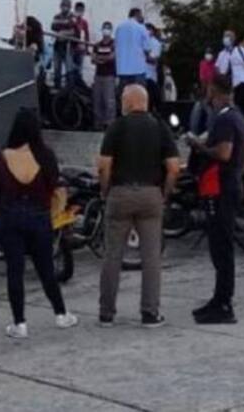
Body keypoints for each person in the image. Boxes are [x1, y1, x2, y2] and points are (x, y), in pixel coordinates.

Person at [97, 84, 180, 328]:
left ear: (130, 102)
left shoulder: (117, 127)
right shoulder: (159, 127)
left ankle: (106, 313)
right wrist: (164, 193)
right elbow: (174, 167)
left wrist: (105, 190)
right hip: (151, 194)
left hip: (120, 193)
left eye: (123, 99)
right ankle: (150, 313)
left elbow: (103, 166)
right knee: (151, 257)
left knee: (113, 255)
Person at [0, 110, 79, 339]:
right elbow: (55, 185)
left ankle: (19, 323)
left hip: (10, 217)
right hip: (39, 216)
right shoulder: (46, 155)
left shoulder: (2, 157)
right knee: (46, 268)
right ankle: (61, 313)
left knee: (14, 270)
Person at [187, 74, 244, 324]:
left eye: (209, 92)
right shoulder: (239, 117)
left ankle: (224, 304)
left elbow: (224, 153)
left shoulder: (225, 119)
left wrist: (198, 146)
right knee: (220, 248)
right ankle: (219, 298)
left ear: (214, 91)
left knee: (221, 249)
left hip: (220, 188)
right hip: (229, 184)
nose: (207, 97)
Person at [113, 8, 150, 88]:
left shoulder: (119, 27)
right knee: (139, 95)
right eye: (141, 15)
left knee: (125, 95)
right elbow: (147, 48)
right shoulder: (141, 27)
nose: (142, 17)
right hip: (138, 69)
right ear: (137, 14)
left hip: (122, 69)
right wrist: (148, 56)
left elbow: (115, 45)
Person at [91, 22, 117, 129]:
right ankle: (98, 123)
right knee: (97, 100)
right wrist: (102, 59)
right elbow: (93, 59)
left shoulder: (114, 44)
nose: (106, 30)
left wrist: (100, 59)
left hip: (109, 76)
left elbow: (112, 57)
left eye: (108, 28)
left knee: (109, 100)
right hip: (98, 75)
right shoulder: (97, 45)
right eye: (104, 28)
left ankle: (110, 123)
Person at [51, 0, 79, 89]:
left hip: (68, 46)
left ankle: (70, 89)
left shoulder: (73, 16)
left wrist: (63, 32)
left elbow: (74, 29)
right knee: (56, 68)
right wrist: (66, 26)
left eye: (67, 6)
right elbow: (53, 26)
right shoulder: (57, 16)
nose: (65, 8)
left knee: (69, 68)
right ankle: (57, 87)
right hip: (57, 46)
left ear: (70, 7)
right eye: (63, 5)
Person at [72, 1, 91, 77]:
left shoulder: (84, 22)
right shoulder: (72, 20)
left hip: (81, 49)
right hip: (72, 48)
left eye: (81, 10)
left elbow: (87, 35)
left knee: (79, 69)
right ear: (75, 10)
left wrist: (87, 48)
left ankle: (79, 84)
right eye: (78, 10)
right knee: (71, 68)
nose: (80, 12)